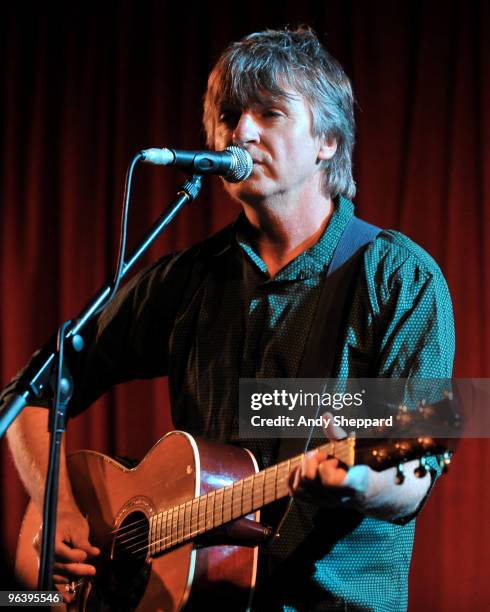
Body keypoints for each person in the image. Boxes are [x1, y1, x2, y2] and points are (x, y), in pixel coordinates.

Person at [4, 27, 454, 610]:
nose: (240, 131)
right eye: (229, 115)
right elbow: (28, 397)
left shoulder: (399, 278)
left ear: (328, 142)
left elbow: (413, 469)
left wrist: (361, 481)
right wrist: (57, 502)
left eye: (269, 113)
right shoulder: (184, 280)